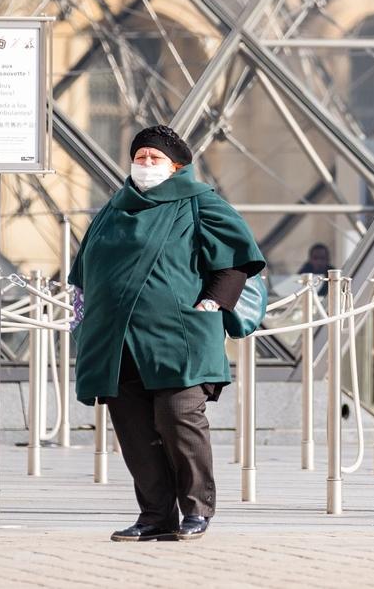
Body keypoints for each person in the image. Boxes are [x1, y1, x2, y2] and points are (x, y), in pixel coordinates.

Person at [71, 125, 264, 542]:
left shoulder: (200, 203)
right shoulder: (113, 209)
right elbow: (84, 271)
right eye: (139, 157)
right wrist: (82, 321)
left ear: (177, 166)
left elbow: (236, 261)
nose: (145, 165)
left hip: (180, 336)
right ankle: (156, 517)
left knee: (178, 418)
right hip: (116, 342)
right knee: (135, 431)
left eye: (154, 159)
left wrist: (211, 304)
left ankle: (197, 509)